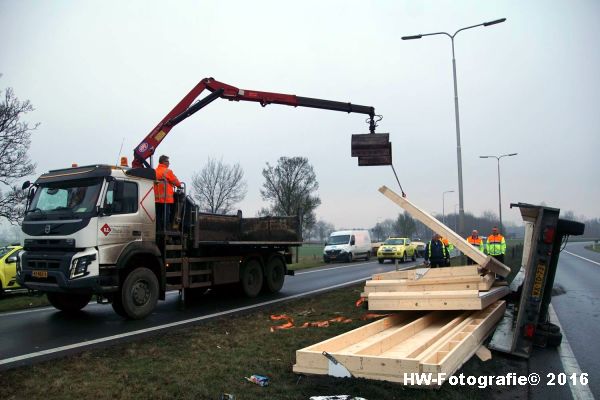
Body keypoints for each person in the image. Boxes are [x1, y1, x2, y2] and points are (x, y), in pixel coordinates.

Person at [155, 155, 182, 230]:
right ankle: (166, 229)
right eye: (167, 161)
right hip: (166, 199)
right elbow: (175, 181)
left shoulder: (154, 171)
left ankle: (158, 229)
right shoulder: (168, 171)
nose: (169, 163)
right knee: (166, 215)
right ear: (164, 162)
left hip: (156, 199)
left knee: (158, 215)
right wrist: (179, 185)